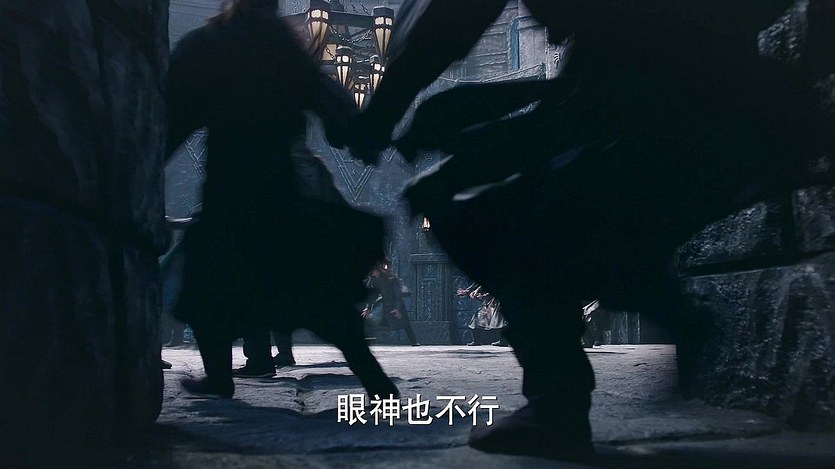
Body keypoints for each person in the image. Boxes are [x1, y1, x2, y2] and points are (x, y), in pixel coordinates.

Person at [347, 0, 829, 461]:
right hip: (733, 117)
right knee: (529, 202)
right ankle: (648, 299)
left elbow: (456, 22)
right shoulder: (618, 39)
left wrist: (389, 109)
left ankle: (560, 401)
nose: (545, 24)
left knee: (476, 211)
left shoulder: (633, 31)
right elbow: (579, 99)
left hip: (695, 121)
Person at [165, 0, 397, 400]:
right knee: (318, 298)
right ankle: (376, 382)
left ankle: (219, 378)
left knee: (208, 286)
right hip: (282, 188)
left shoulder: (208, 44)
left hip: (230, 186)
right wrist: (361, 137)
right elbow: (333, 105)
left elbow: (174, 117)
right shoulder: (283, 50)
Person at [363, 258, 420, 346]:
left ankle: (414, 341)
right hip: (386, 304)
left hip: (396, 303)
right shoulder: (373, 280)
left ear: (377, 269)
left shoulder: (390, 278)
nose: (372, 273)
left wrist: (397, 308)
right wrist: (368, 308)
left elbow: (397, 295)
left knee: (405, 323)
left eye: (373, 271)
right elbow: (372, 296)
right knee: (382, 323)